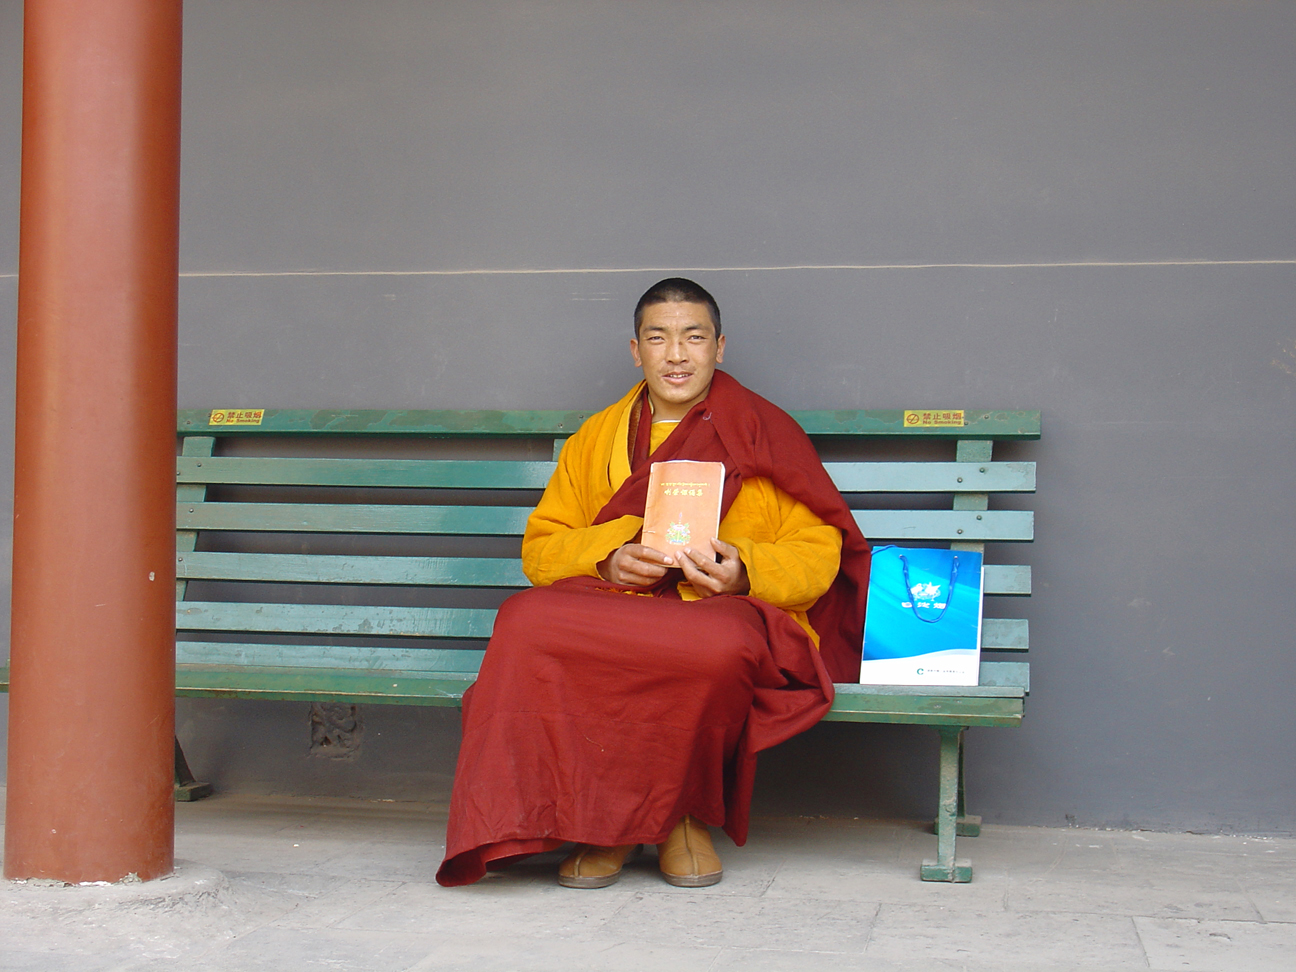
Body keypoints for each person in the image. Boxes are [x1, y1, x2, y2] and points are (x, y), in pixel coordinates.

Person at [436, 278, 870, 889]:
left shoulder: (761, 431)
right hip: (619, 603)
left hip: (715, 609)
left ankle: (683, 817)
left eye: (693, 337)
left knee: (716, 648)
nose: (676, 354)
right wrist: (607, 556)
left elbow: (819, 551)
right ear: (635, 351)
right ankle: (596, 819)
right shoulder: (598, 437)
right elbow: (541, 548)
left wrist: (743, 571)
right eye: (657, 338)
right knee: (525, 620)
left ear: (719, 347)